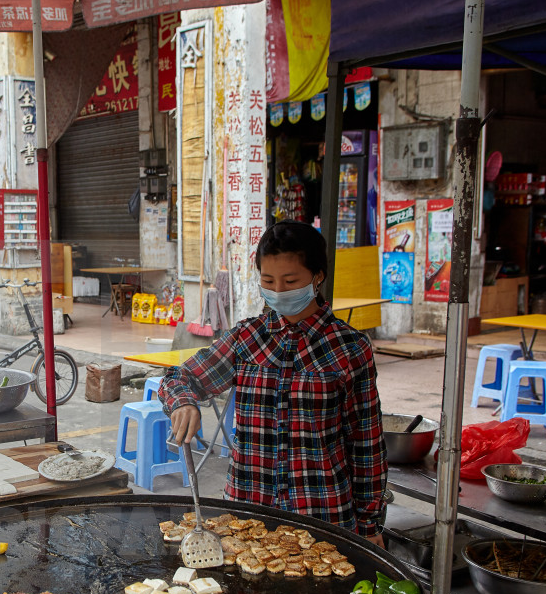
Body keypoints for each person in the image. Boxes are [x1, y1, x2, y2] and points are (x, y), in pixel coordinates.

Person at [159, 220, 388, 546]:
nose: (278, 291)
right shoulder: (247, 338)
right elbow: (178, 377)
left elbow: (367, 446)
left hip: (323, 518)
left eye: (291, 281)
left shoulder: (350, 348)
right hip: (246, 516)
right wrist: (182, 402)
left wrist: (369, 525)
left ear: (318, 277)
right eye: (268, 280)